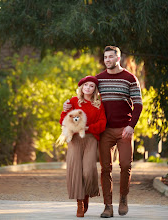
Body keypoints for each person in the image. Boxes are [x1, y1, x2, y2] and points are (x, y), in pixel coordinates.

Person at [64, 46, 143, 218]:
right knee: (105, 168)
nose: (107, 60)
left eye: (110, 57)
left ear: (118, 58)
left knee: (125, 165)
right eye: (105, 57)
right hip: (105, 131)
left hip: (124, 129)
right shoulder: (99, 79)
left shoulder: (130, 79)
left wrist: (131, 126)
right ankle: (108, 206)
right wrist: (68, 106)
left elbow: (138, 104)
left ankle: (123, 198)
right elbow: (85, 96)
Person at [60, 76, 107, 218]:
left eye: (91, 86)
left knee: (88, 170)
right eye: (85, 85)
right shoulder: (73, 101)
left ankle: (86, 195)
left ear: (95, 89)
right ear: (81, 87)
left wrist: (88, 127)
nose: (88, 88)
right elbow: (63, 119)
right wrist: (67, 115)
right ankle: (79, 203)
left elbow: (102, 123)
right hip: (74, 139)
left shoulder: (99, 104)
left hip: (91, 138)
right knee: (75, 170)